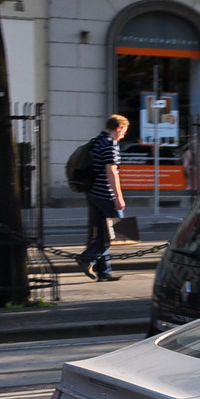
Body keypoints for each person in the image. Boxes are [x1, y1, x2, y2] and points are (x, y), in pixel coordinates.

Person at [77, 114, 127, 283]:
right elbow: (111, 171)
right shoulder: (110, 144)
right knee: (116, 234)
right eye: (124, 132)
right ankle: (87, 258)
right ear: (118, 128)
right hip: (106, 194)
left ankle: (104, 271)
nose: (123, 135)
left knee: (103, 234)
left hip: (92, 193)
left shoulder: (96, 140)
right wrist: (118, 197)